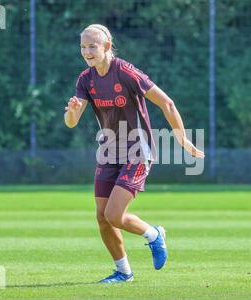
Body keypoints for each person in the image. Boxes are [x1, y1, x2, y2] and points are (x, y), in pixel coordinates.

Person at [64, 24, 205, 283]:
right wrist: (72, 111)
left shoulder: (126, 72)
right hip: (108, 152)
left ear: (107, 46)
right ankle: (123, 272)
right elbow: (71, 121)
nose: (86, 51)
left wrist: (182, 138)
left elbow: (167, 103)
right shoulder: (85, 79)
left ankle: (153, 234)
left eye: (92, 46)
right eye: (83, 47)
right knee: (102, 217)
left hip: (137, 150)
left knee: (114, 215)